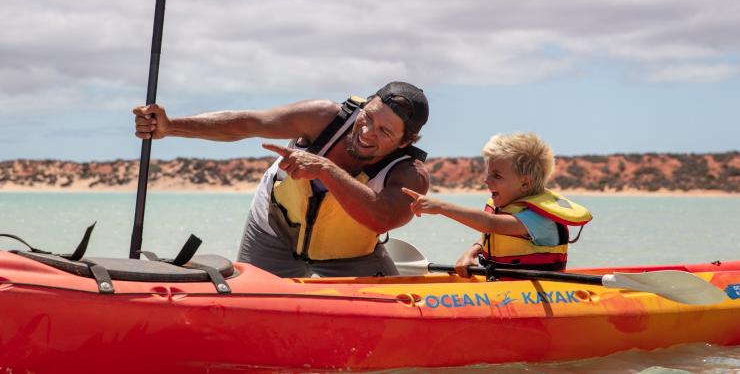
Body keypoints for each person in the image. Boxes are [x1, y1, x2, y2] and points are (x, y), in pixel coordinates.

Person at [133, 81, 430, 278]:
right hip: (272, 232)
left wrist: (325, 169)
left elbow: (382, 218)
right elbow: (248, 123)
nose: (366, 132)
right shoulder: (323, 117)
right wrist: (170, 127)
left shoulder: (410, 175)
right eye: (368, 117)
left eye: (385, 132)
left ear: (406, 141)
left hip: (351, 254)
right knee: (249, 313)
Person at [402, 132, 591, 277]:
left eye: (496, 176)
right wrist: (473, 251)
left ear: (525, 183)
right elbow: (492, 233)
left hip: (536, 296)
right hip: (504, 288)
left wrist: (441, 207)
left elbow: (492, 224)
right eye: (488, 173)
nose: (486, 180)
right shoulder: (509, 207)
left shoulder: (538, 220)